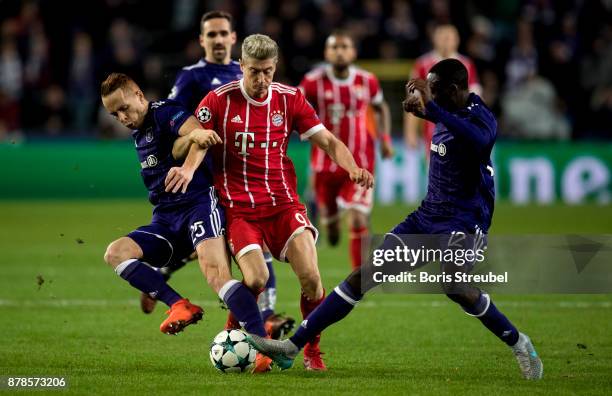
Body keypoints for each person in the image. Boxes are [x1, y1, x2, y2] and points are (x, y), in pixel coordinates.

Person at [247, 59, 544, 380]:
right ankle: (293, 347)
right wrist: (423, 110)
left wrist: (432, 110)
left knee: (455, 284)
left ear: (454, 91)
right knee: (363, 276)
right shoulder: (445, 110)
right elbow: (441, 117)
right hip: (426, 217)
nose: (428, 95)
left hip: (464, 222)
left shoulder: (481, 119)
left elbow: (477, 141)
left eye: (434, 90)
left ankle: (519, 342)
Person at [170, 34, 373, 371]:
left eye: (267, 71)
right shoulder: (219, 100)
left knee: (312, 279)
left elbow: (328, 141)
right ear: (241, 67)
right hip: (239, 211)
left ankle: (310, 351)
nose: (262, 80)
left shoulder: (289, 99)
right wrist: (189, 170)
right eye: (254, 72)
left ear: (275, 67)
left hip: (283, 205)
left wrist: (352, 167)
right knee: (255, 280)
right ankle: (233, 335)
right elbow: (200, 141)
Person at [100, 73, 269, 343]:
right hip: (166, 220)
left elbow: (194, 131)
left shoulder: (165, 112)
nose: (121, 117)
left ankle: (264, 343)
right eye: (114, 114)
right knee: (115, 253)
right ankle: (179, 305)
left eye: (123, 108)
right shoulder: (139, 133)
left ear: (139, 96)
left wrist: (198, 135)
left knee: (216, 276)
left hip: (199, 205)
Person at [164, 11, 294, 339]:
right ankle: (260, 317)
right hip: (207, 181)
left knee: (250, 248)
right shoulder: (191, 78)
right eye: (212, 35)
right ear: (202, 40)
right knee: (224, 249)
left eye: (224, 33)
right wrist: (190, 144)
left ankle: (264, 316)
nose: (218, 39)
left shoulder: (248, 73)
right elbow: (170, 125)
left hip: (244, 181)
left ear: (234, 39)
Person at [299, 30, 393, 270]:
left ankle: (358, 279)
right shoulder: (312, 82)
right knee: (330, 230)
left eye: (344, 47)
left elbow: (381, 108)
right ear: (326, 53)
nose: (339, 52)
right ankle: (332, 224)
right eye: (334, 47)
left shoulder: (367, 80)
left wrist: (384, 138)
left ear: (353, 52)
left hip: (361, 161)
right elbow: (293, 107)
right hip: (324, 164)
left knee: (358, 216)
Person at [404, 24, 480, 155]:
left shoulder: (467, 64)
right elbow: (413, 99)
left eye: (449, 37)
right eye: (442, 37)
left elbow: (475, 99)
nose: (446, 41)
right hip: (434, 129)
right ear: (434, 39)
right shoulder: (422, 65)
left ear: (457, 40)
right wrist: (410, 132)